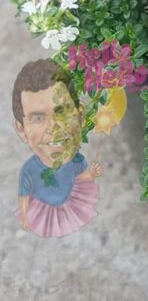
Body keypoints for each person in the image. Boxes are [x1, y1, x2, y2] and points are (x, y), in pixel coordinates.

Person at [12, 58, 102, 237]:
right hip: (42, 208)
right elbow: (24, 193)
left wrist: (89, 174)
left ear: (81, 116)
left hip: (68, 202)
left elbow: (78, 179)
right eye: (38, 118)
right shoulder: (29, 169)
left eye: (61, 112)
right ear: (22, 130)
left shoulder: (76, 160)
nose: (54, 128)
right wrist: (23, 213)